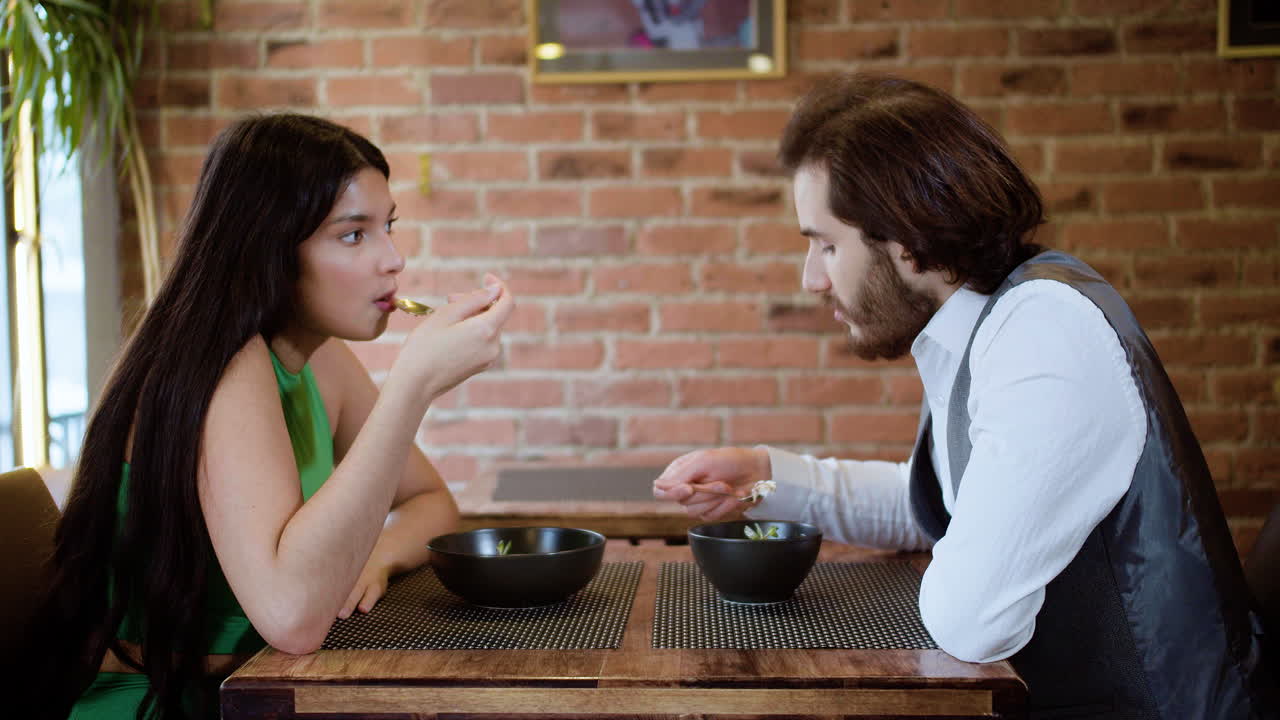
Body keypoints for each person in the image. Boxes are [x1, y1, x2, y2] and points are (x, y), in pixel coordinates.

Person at [653, 73, 1275, 719]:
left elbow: (973, 619)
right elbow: (952, 511)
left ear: (910, 242)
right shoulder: (976, 327)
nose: (811, 279)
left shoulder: (1041, 334)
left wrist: (955, 560)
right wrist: (766, 476)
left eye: (827, 245)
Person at [15, 113, 515, 720]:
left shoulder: (320, 358)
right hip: (175, 703)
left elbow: (431, 500)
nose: (393, 260)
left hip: (276, 690)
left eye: (388, 227)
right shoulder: (224, 368)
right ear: (270, 248)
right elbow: (293, 619)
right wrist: (412, 386)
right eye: (353, 235)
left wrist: (371, 559)